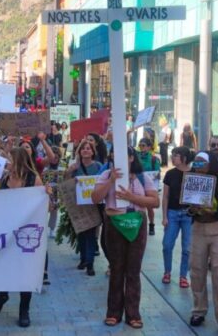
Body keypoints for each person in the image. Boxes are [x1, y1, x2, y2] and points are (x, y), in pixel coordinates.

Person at [91, 147, 160, 329]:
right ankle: (113, 312)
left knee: (133, 270)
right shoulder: (106, 174)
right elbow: (95, 197)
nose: (119, 158)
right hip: (114, 224)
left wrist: (132, 197)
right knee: (116, 269)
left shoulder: (142, 177)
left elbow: (155, 201)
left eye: (124, 155)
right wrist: (111, 181)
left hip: (137, 223)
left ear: (131, 158)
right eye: (114, 155)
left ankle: (133, 314)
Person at [187, 136, 218, 336]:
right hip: (198, 229)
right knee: (197, 271)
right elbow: (184, 206)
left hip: (217, 231)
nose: (199, 167)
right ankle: (198, 310)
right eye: (196, 163)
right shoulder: (190, 182)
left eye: (203, 163)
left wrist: (213, 212)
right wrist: (192, 209)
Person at [0, 147, 42, 327]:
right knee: (5, 264)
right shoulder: (5, 178)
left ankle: (24, 309)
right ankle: (2, 294)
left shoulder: (32, 179)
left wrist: (47, 195)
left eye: (8, 159)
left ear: (18, 161)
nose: (5, 162)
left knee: (24, 270)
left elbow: (43, 205)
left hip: (26, 233)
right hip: (6, 230)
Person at [65, 140, 103, 276]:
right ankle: (83, 259)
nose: (86, 150)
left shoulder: (99, 166)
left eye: (88, 148)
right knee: (81, 233)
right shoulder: (75, 167)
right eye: (83, 149)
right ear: (79, 152)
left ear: (93, 152)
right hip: (79, 205)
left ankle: (90, 263)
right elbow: (66, 182)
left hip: (94, 205)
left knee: (91, 234)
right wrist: (70, 173)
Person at [161, 146, 194, 289]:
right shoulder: (170, 174)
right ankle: (167, 271)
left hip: (188, 214)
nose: (173, 158)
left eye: (176, 155)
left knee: (187, 247)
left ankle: (183, 276)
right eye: (173, 155)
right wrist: (164, 216)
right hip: (173, 213)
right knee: (167, 244)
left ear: (184, 158)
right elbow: (165, 196)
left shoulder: (194, 173)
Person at [137, 138, 161, 236]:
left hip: (149, 187)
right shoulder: (136, 157)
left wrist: (156, 175)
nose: (141, 148)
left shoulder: (154, 159)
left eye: (143, 145)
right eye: (140, 145)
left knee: (149, 208)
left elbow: (157, 173)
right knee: (138, 207)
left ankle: (151, 224)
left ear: (149, 147)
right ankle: (139, 226)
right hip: (138, 185)